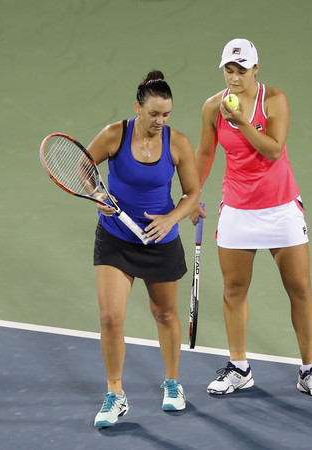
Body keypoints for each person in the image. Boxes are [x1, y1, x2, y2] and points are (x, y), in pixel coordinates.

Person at [190, 38, 312, 397]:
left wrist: (241, 122)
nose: (234, 78)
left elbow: (273, 150)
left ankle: (308, 370)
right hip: (238, 210)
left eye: (242, 70)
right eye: (229, 70)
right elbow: (205, 153)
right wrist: (191, 194)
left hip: (281, 208)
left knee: (300, 288)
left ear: (256, 69)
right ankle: (239, 367)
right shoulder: (212, 107)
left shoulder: (275, 100)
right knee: (233, 291)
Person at [85, 70, 200, 427]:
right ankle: (115, 394)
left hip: (158, 241)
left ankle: (173, 383)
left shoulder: (177, 143)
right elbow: (84, 167)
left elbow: (192, 194)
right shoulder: (113, 135)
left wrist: (171, 220)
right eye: (153, 114)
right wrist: (96, 194)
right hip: (116, 237)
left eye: (166, 115)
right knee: (110, 318)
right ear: (138, 107)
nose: (160, 121)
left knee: (164, 314)